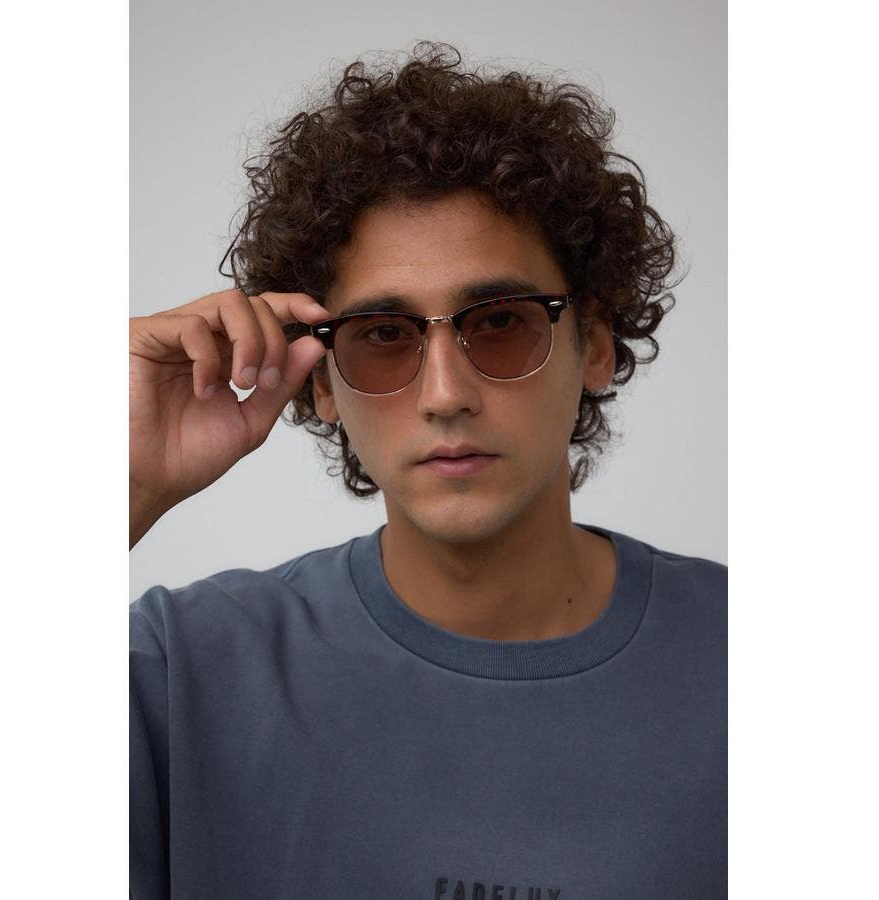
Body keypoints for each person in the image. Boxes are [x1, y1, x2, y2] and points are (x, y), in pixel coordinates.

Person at [129, 43, 726, 899]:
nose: (446, 395)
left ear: (593, 344)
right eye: (383, 336)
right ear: (320, 380)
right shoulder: (173, 678)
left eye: (501, 323)